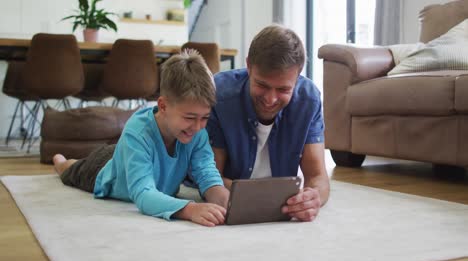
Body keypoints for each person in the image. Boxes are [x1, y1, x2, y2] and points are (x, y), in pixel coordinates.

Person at [53, 50, 230, 227]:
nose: (198, 127)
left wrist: (224, 199)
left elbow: (207, 174)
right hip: (103, 167)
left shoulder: (197, 133)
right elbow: (143, 194)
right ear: (163, 106)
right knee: (71, 169)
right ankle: (61, 161)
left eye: (205, 117)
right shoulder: (137, 133)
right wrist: (190, 210)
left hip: (133, 153)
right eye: (190, 118)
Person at [207, 24, 330, 222]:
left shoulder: (309, 100)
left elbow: (317, 176)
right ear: (248, 66)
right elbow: (210, 177)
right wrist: (261, 196)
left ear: (298, 76)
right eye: (262, 85)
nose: (271, 99)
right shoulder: (220, 95)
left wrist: (313, 197)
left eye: (283, 90)